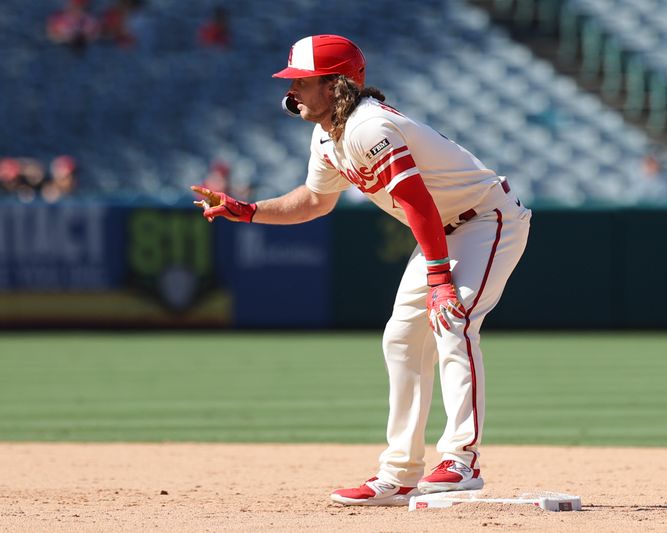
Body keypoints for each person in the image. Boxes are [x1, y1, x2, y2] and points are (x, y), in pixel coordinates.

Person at [191, 35, 531, 506]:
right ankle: (399, 473)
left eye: (302, 82)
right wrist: (248, 210)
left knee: (452, 317)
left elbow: (418, 204)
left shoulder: (369, 128)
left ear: (335, 87)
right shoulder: (328, 135)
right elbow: (313, 201)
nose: (292, 92)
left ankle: (461, 459)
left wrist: (439, 281)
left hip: (486, 219)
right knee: (401, 338)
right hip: (445, 229)